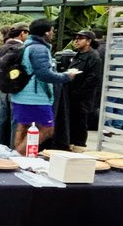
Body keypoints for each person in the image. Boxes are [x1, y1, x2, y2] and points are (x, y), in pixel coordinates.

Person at [11, 18, 78, 151]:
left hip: (21, 94)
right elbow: (44, 74)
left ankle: (18, 155)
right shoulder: (39, 49)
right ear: (46, 32)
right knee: (47, 128)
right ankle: (20, 154)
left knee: (23, 127)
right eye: (52, 30)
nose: (53, 33)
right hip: (35, 97)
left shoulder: (27, 45)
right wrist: (66, 76)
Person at [0, 24, 30, 144]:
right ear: (22, 33)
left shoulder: (1, 49)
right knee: (16, 122)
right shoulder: (25, 49)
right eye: (27, 33)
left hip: (2, 89)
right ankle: (14, 148)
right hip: (19, 90)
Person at [67, 29, 103, 148]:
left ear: (88, 41)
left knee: (80, 123)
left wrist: (78, 93)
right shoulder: (78, 55)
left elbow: (92, 79)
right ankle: (71, 144)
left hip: (83, 98)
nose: (76, 41)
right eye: (75, 38)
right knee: (73, 122)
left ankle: (79, 146)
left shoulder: (93, 57)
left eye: (80, 38)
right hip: (72, 95)